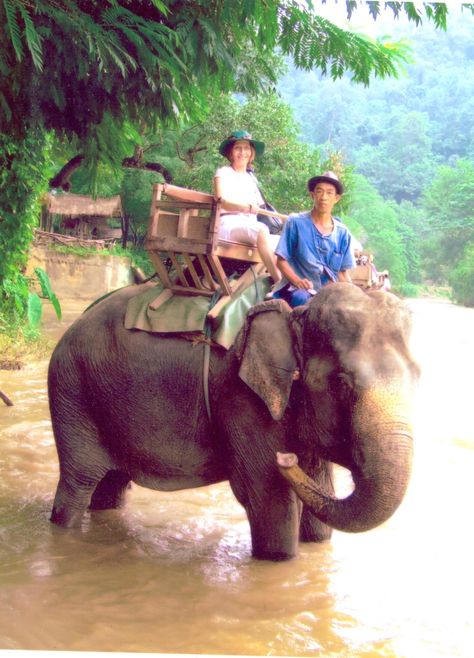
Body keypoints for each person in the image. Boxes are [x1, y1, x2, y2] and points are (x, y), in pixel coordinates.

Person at [272, 171, 355, 308]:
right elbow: (281, 261)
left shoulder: (343, 233)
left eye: (329, 193)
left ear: (336, 198)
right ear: (312, 195)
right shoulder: (295, 222)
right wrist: (297, 281)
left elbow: (342, 273)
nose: (324, 197)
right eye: (319, 191)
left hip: (329, 291)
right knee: (302, 299)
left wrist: (354, 295)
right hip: (299, 290)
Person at [214, 130, 281, 283]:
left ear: (251, 153)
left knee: (284, 241)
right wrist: (243, 207)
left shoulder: (252, 179)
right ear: (231, 152)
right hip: (228, 225)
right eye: (238, 148)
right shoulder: (223, 172)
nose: (242, 152)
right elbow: (221, 200)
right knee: (261, 229)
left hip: (249, 225)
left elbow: (261, 208)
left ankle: (291, 282)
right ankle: (279, 284)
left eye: (246, 148)